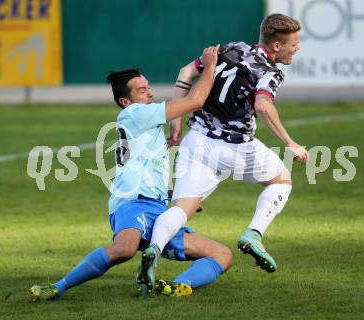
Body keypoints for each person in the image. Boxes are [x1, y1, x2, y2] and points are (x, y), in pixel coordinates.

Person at [29, 45, 232, 300]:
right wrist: (210, 65)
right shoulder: (136, 113)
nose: (150, 93)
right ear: (126, 101)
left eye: (148, 87)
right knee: (124, 249)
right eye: (142, 90)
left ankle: (170, 286)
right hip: (133, 202)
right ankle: (58, 287)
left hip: (158, 210)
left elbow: (147, 165)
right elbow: (195, 101)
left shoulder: (146, 124)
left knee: (223, 255)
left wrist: (178, 194)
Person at [137, 14, 309, 291]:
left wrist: (176, 120)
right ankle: (253, 234)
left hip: (196, 141)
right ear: (276, 46)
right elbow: (264, 106)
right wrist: (290, 142)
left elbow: (185, 72)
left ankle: (154, 250)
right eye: (294, 44)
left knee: (182, 209)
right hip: (235, 148)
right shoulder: (270, 71)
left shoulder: (232, 48)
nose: (297, 49)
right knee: (281, 180)